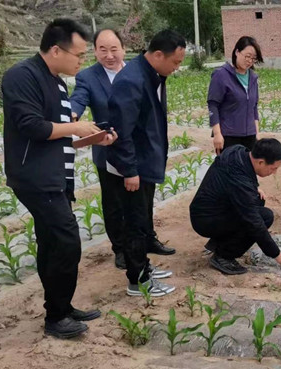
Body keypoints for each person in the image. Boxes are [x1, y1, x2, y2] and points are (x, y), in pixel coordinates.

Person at [2, 18, 117, 339]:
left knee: (52, 243)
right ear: (56, 50)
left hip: (57, 175)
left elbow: (61, 136)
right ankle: (56, 316)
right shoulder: (21, 76)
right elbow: (32, 126)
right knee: (66, 240)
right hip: (34, 176)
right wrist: (76, 127)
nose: (82, 62)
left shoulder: (56, 81)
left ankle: (60, 307)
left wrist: (93, 136)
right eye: (79, 55)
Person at [70, 29, 175, 270]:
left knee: (143, 200)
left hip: (143, 151)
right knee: (115, 203)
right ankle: (120, 248)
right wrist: (72, 114)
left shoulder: (144, 72)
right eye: (102, 50)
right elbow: (79, 98)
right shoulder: (88, 77)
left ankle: (147, 238)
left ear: (123, 49)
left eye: (114, 49)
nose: (109, 55)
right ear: (95, 51)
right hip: (110, 152)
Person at [107, 30, 186, 298]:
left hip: (144, 165)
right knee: (135, 224)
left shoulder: (151, 76)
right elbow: (121, 131)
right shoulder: (132, 80)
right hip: (133, 169)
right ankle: (137, 281)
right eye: (175, 62)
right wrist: (129, 170)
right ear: (157, 55)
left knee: (142, 222)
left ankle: (143, 267)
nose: (177, 68)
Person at [189, 138, 281, 275]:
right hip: (206, 219)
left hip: (208, 209)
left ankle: (219, 242)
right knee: (264, 217)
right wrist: (277, 255)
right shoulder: (241, 181)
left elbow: (234, 181)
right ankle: (224, 256)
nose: (274, 173)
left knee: (257, 200)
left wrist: (254, 188)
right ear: (260, 162)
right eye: (273, 168)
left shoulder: (238, 151)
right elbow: (254, 221)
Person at [207, 36, 264, 154]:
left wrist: (256, 133)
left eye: (253, 59)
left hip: (250, 136)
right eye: (247, 56)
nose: (250, 61)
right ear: (237, 52)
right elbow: (213, 105)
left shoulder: (253, 78)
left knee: (247, 170)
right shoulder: (221, 75)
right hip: (228, 136)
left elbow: (254, 107)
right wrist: (217, 134)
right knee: (229, 170)